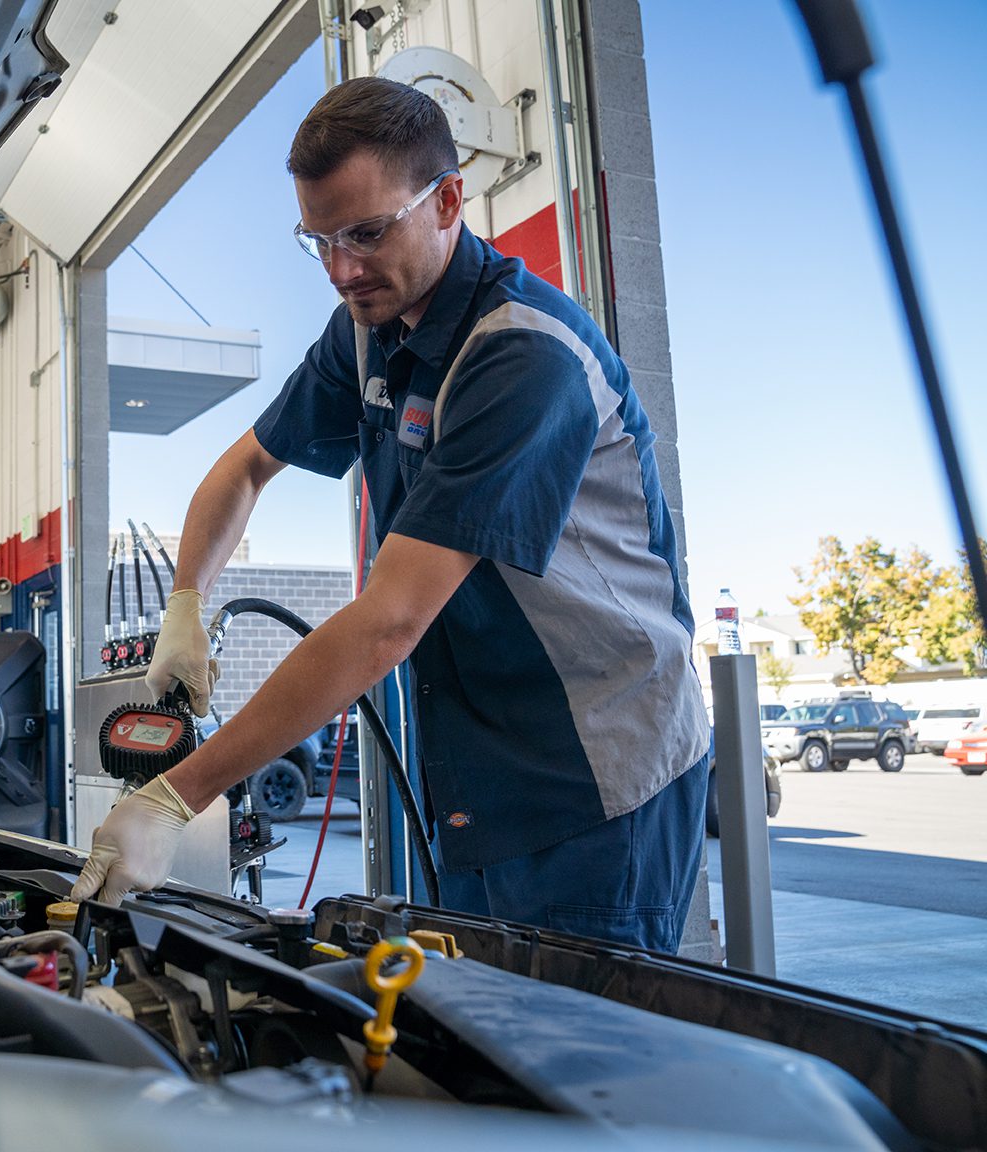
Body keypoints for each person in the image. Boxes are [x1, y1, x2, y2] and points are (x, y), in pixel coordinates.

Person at [70, 77, 710, 953]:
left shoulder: (524, 355)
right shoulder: (370, 327)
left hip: (597, 778)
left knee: (576, 1062)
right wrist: (184, 602)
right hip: (482, 770)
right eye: (320, 240)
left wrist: (179, 794)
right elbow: (246, 465)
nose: (341, 270)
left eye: (366, 233)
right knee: (476, 1046)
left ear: (448, 199)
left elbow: (389, 622)